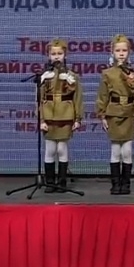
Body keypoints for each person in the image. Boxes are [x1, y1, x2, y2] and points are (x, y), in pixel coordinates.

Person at [95, 34, 134, 195]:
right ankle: (115, 183)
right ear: (112, 52)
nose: (121, 53)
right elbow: (103, 96)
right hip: (114, 113)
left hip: (129, 113)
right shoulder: (107, 73)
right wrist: (102, 115)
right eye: (118, 50)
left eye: (124, 50)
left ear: (129, 52)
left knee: (127, 150)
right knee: (115, 150)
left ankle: (126, 183)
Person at [39, 39, 82, 192]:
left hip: (65, 115)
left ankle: (62, 182)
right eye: (53, 54)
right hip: (49, 115)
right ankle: (50, 181)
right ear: (49, 56)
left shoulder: (72, 75)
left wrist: (78, 118)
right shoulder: (45, 76)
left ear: (65, 55)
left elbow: (78, 98)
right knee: (50, 149)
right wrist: (41, 119)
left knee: (62, 149)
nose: (56, 56)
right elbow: (39, 99)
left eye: (60, 53)